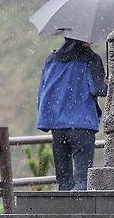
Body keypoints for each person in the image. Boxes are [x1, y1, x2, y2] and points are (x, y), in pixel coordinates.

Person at [36, 38, 107, 191]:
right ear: (86, 38)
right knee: (82, 181)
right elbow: (99, 89)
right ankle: (80, 213)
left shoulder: (52, 59)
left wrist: (45, 117)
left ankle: (64, 213)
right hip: (82, 125)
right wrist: (107, 81)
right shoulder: (91, 58)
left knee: (64, 182)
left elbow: (43, 90)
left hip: (58, 127)